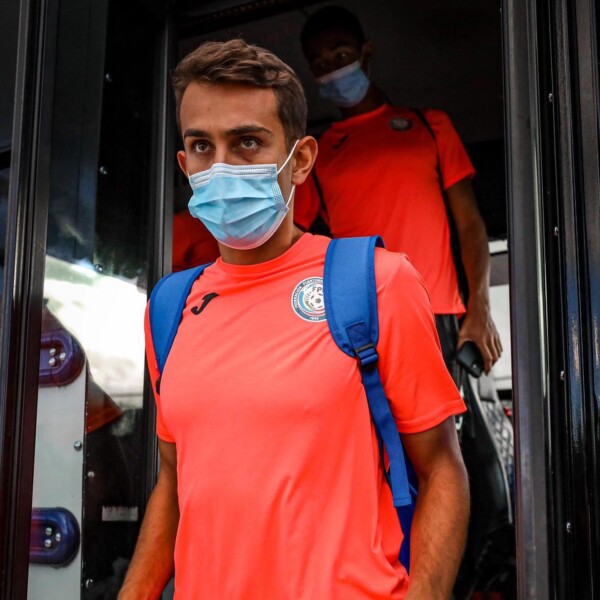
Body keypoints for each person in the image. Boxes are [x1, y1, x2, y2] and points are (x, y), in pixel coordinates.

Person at [119, 39, 469, 600]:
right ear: (184, 164)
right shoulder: (169, 308)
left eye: (248, 142)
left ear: (301, 160)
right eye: (202, 146)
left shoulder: (377, 282)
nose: (222, 166)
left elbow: (442, 470)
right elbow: (173, 482)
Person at [298, 6, 502, 377]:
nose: (333, 70)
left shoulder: (429, 125)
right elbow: (292, 239)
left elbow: (470, 225)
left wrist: (480, 309)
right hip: (357, 321)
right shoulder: (315, 153)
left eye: (341, 55)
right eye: (320, 63)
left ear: (367, 51)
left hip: (434, 311)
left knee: (441, 417)